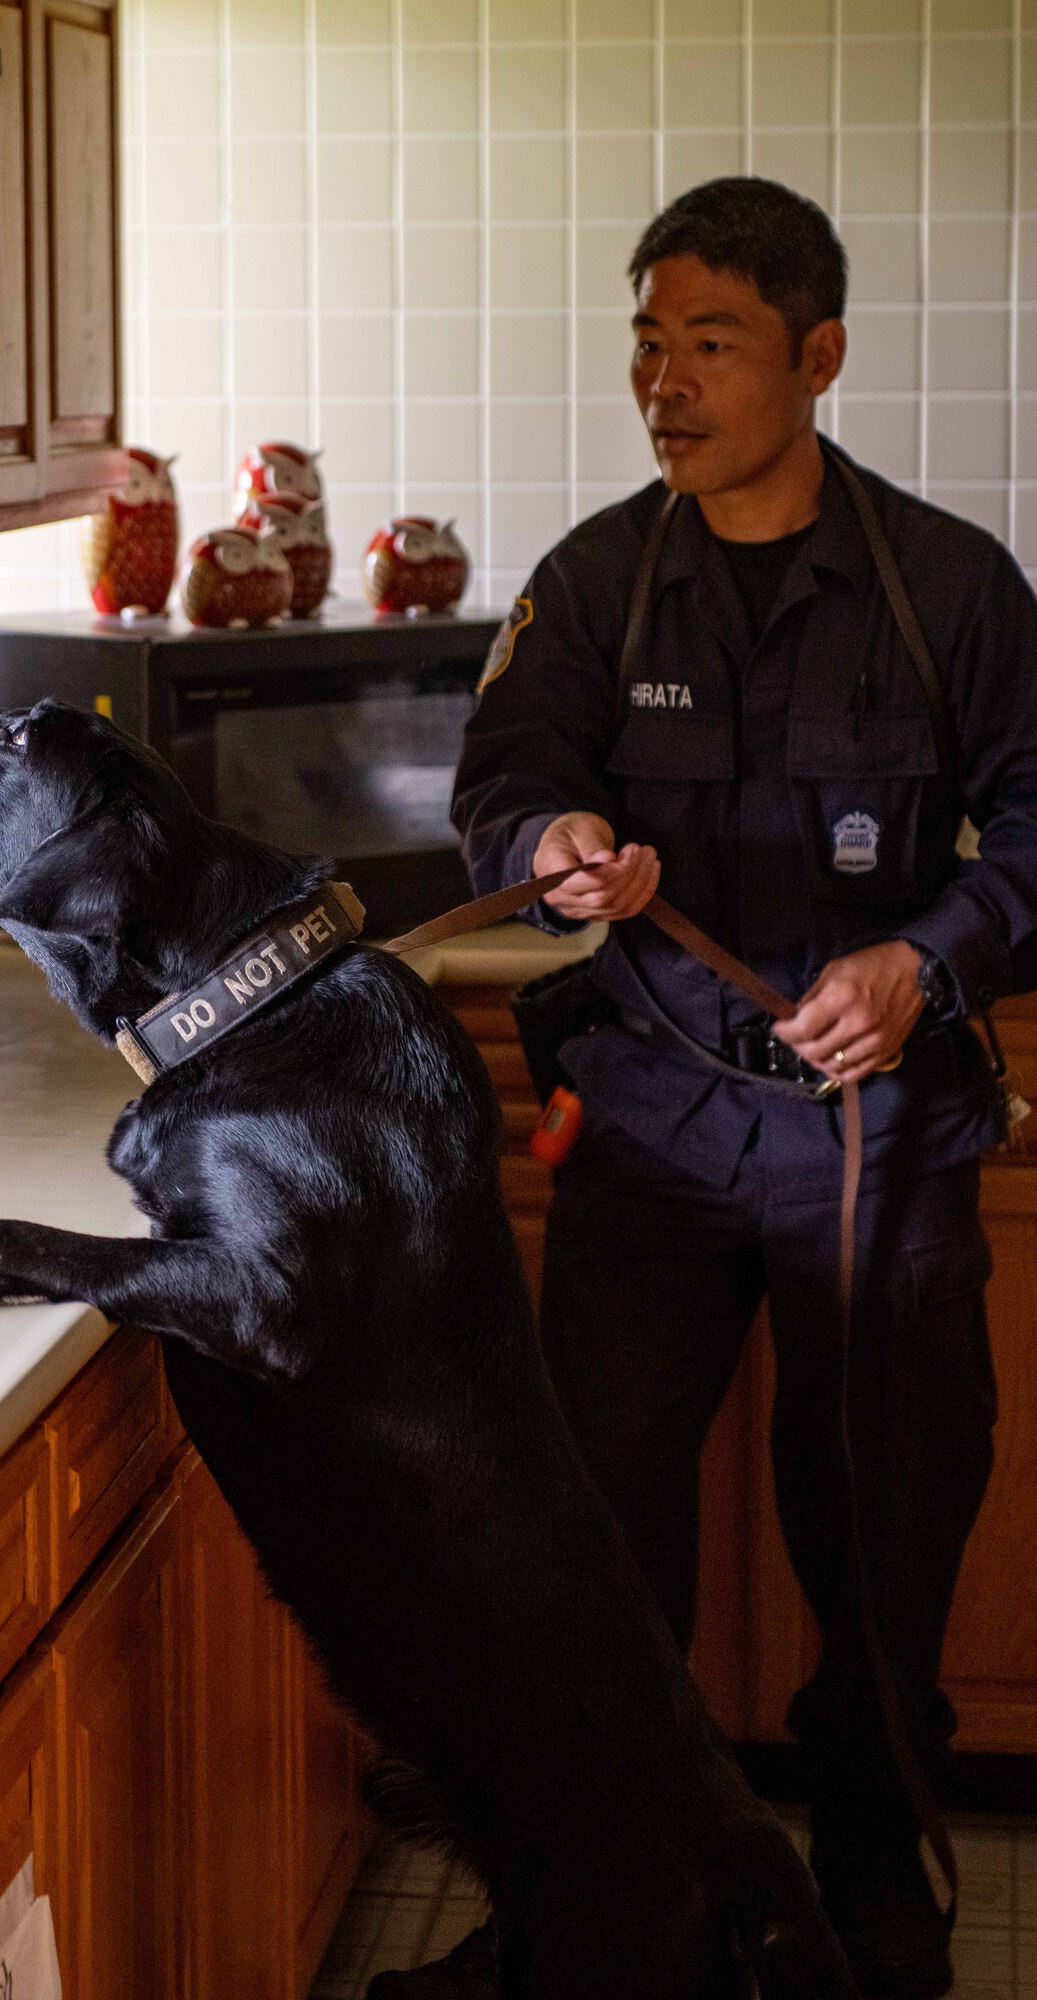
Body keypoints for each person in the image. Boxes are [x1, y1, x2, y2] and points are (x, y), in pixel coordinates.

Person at [451, 177, 1037, 2000]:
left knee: (881, 1547)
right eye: (647, 342)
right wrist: (552, 844)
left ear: (817, 354)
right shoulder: (592, 583)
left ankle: (875, 1901)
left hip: (880, 1137)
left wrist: (925, 960)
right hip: (651, 1122)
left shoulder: (950, 587)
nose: (664, 382)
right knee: (596, 1543)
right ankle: (612, 1908)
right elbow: (502, 780)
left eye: (708, 342)